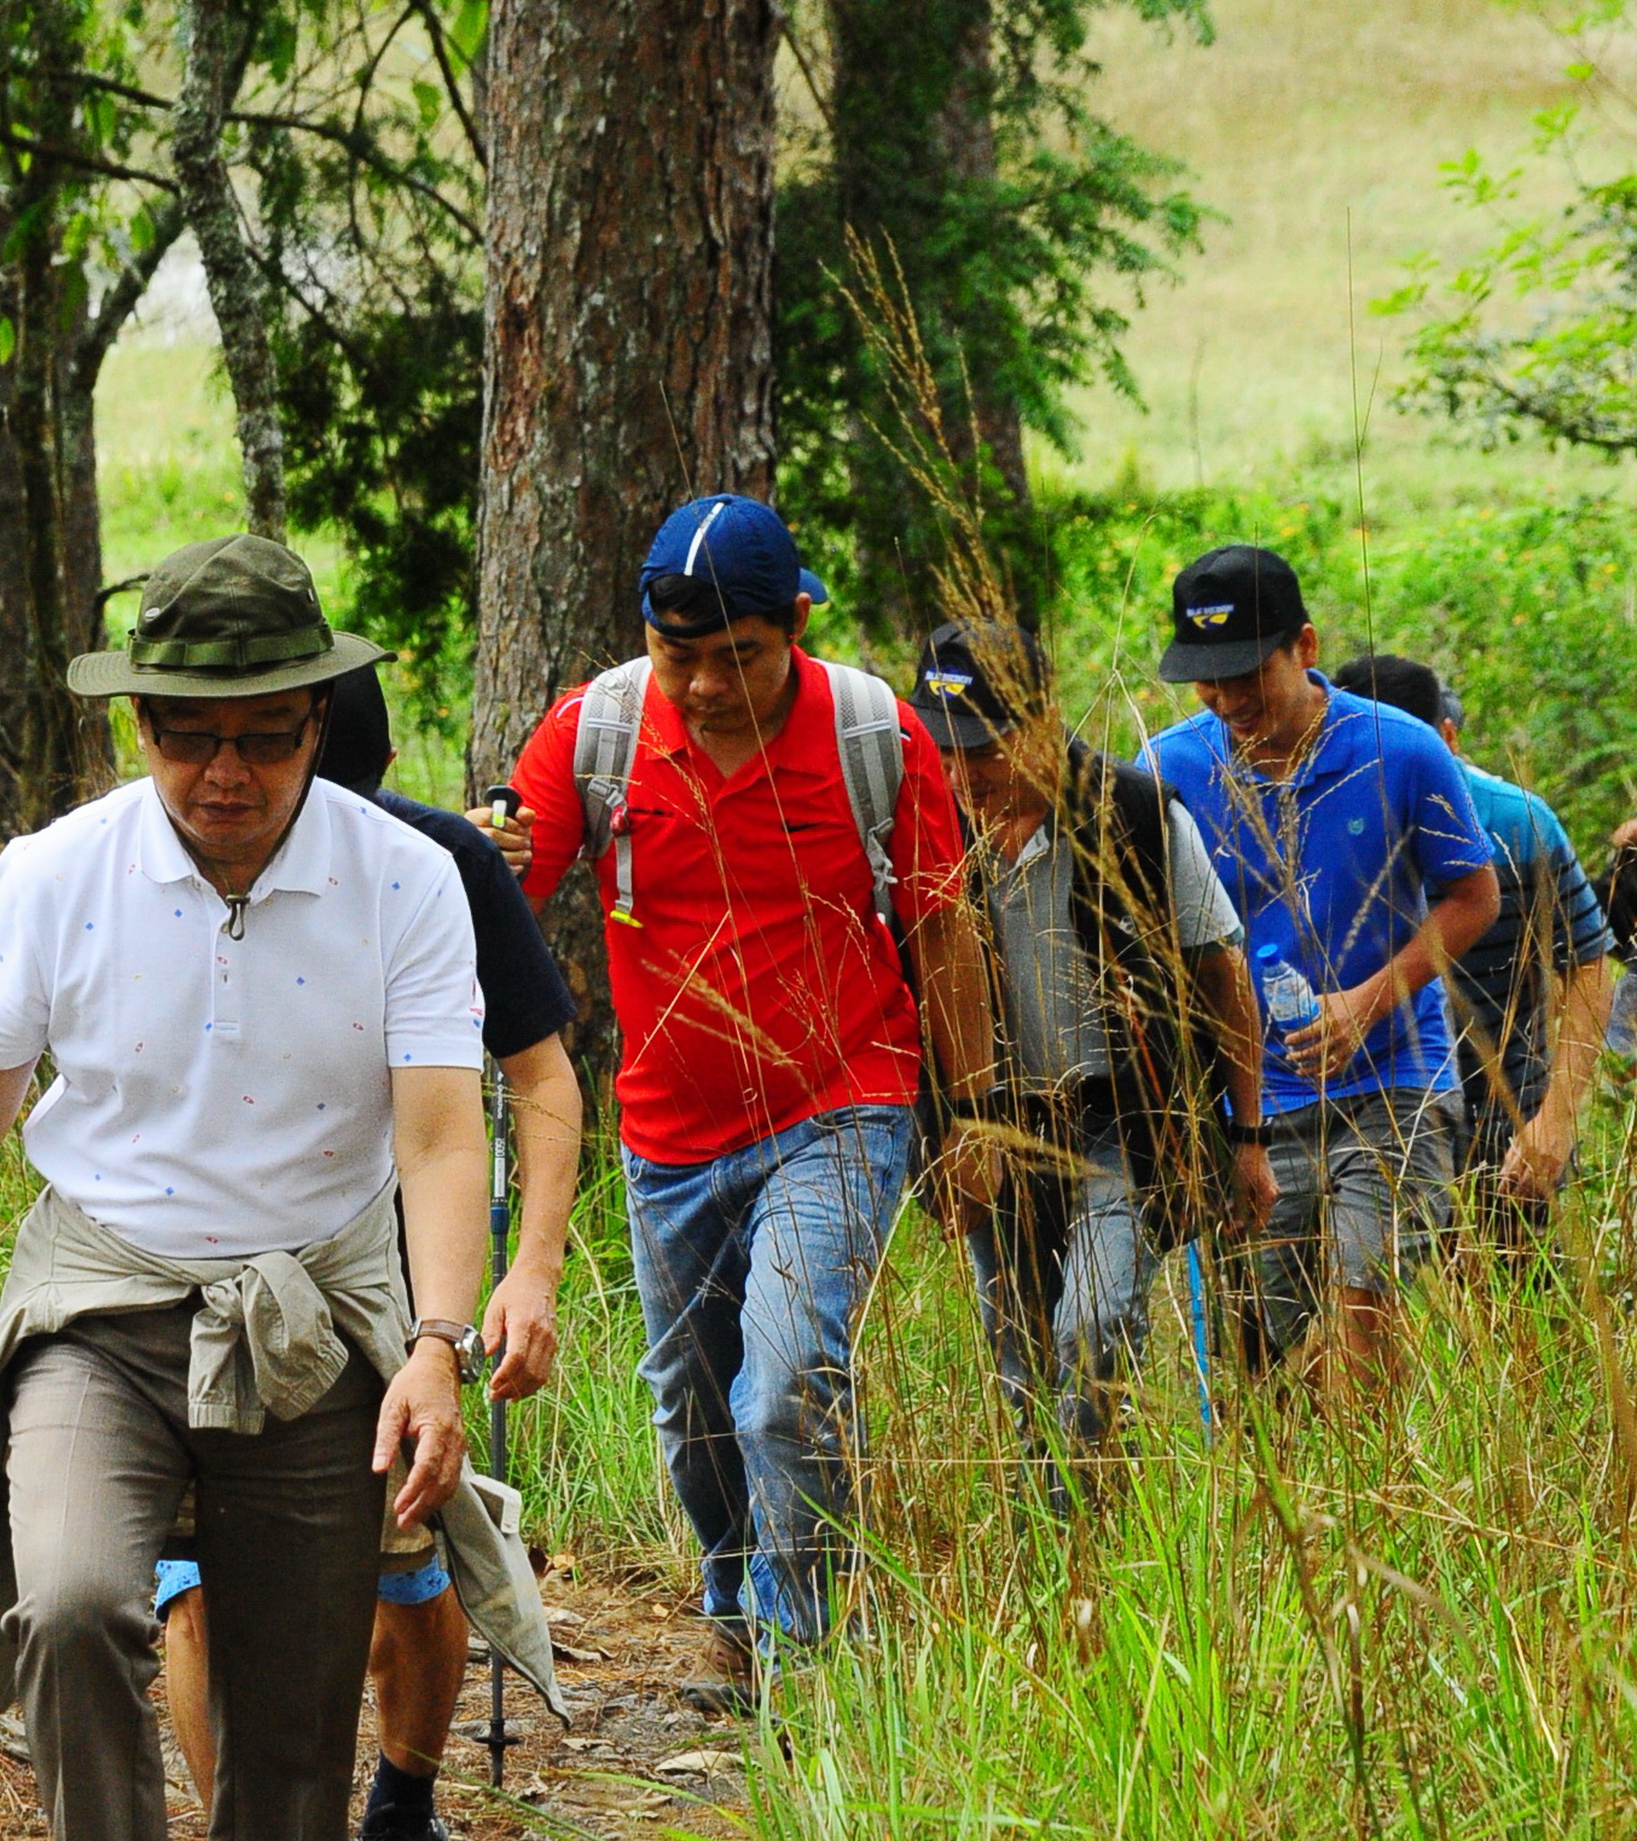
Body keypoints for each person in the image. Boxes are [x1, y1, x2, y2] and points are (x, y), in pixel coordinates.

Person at [0, 534, 556, 1841]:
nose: (225, 769)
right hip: (102, 1297)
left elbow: (438, 1132)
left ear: (317, 716)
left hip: (313, 1303)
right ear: (135, 721)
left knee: (293, 1689)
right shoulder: (58, 875)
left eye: (266, 732)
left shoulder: (403, 880)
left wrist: (434, 1342)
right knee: (75, 1601)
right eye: (186, 731)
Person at [482, 495, 994, 1685]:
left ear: (797, 623)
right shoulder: (595, 732)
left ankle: (801, 1650)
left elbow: (943, 931)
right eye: (680, 655)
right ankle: (731, 1597)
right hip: (667, 1127)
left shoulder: (875, 732)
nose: (705, 685)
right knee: (694, 1403)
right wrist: (482, 857)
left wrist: (970, 1114)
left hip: (841, 1099)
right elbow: (510, 905)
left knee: (786, 1381)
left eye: (737, 658)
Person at [156, 663, 583, 1841]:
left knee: (406, 1550)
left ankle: (401, 1808)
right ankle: (264, 1839)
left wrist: (529, 1272)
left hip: (393, 1271)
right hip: (200, 1260)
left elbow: (539, 1072)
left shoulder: (437, 864)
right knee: (197, 1572)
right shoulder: (152, 857)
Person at [907, 621, 1276, 1501]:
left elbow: (1224, 972)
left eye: (983, 750)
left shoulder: (1136, 813)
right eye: (944, 748)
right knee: (1021, 1350)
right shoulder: (928, 830)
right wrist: (946, 1135)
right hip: (993, 1121)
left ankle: (1090, 1506)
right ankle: (1066, 1529)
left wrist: (1248, 1134)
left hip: (1123, 1116)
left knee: (1095, 1317)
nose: (962, 772)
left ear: (1039, 726)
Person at [1145, 547, 1499, 1412]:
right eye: (1206, 683)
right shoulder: (1167, 770)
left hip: (1394, 1084)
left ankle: (1371, 1520)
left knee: (1363, 1315)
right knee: (1256, 1359)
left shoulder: (1402, 749)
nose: (1228, 704)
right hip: (1253, 1110)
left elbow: (1473, 896)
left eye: (1247, 676)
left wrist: (1372, 994)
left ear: (1304, 646)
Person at [1332, 652, 1614, 1223]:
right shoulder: (1317, 826)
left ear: (1447, 740)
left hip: (1503, 1113)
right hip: (1362, 1120)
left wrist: (1554, 1121)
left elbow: (1588, 966)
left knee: (1511, 1295)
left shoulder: (1517, 824)